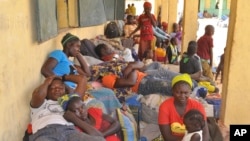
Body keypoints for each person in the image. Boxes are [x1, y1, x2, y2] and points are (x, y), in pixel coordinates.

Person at [29, 74, 105, 141]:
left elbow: (82, 79)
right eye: (52, 88)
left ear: (65, 90)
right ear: (46, 91)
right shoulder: (40, 103)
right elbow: (38, 94)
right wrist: (47, 81)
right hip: (44, 133)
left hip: (69, 132)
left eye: (60, 88)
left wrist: (63, 77)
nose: (57, 89)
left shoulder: (70, 102)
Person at [158, 73, 209, 141]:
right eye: (178, 92)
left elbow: (205, 134)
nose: (182, 96)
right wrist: (187, 139)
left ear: (190, 92)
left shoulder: (197, 106)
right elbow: (167, 137)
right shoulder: (165, 107)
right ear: (172, 91)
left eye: (186, 93)